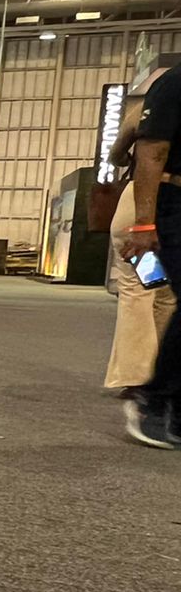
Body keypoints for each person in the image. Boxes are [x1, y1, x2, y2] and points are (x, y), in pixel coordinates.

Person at [121, 63, 181, 447]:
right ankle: (153, 399)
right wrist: (144, 225)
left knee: (161, 300)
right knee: (143, 294)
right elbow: (151, 151)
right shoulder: (174, 82)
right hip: (173, 201)